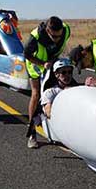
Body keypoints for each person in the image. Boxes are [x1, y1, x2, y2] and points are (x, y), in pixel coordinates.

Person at [24, 16, 71, 148]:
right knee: (36, 94)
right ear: (47, 31)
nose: (57, 39)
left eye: (59, 36)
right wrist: (42, 64)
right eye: (54, 37)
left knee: (62, 87)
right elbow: (27, 54)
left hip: (52, 61)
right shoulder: (35, 37)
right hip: (35, 64)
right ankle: (32, 134)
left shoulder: (66, 30)